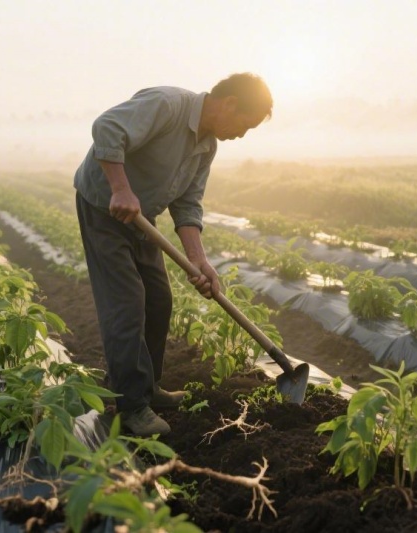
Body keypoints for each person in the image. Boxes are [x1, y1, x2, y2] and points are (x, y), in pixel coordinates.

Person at [74, 73, 273, 436]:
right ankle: (131, 406)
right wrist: (120, 189)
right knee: (127, 303)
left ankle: (146, 387)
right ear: (229, 104)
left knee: (160, 300)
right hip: (103, 207)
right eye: (244, 126)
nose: (240, 136)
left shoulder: (207, 145)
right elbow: (106, 128)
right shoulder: (167, 104)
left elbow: (187, 203)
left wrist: (199, 260)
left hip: (141, 217)